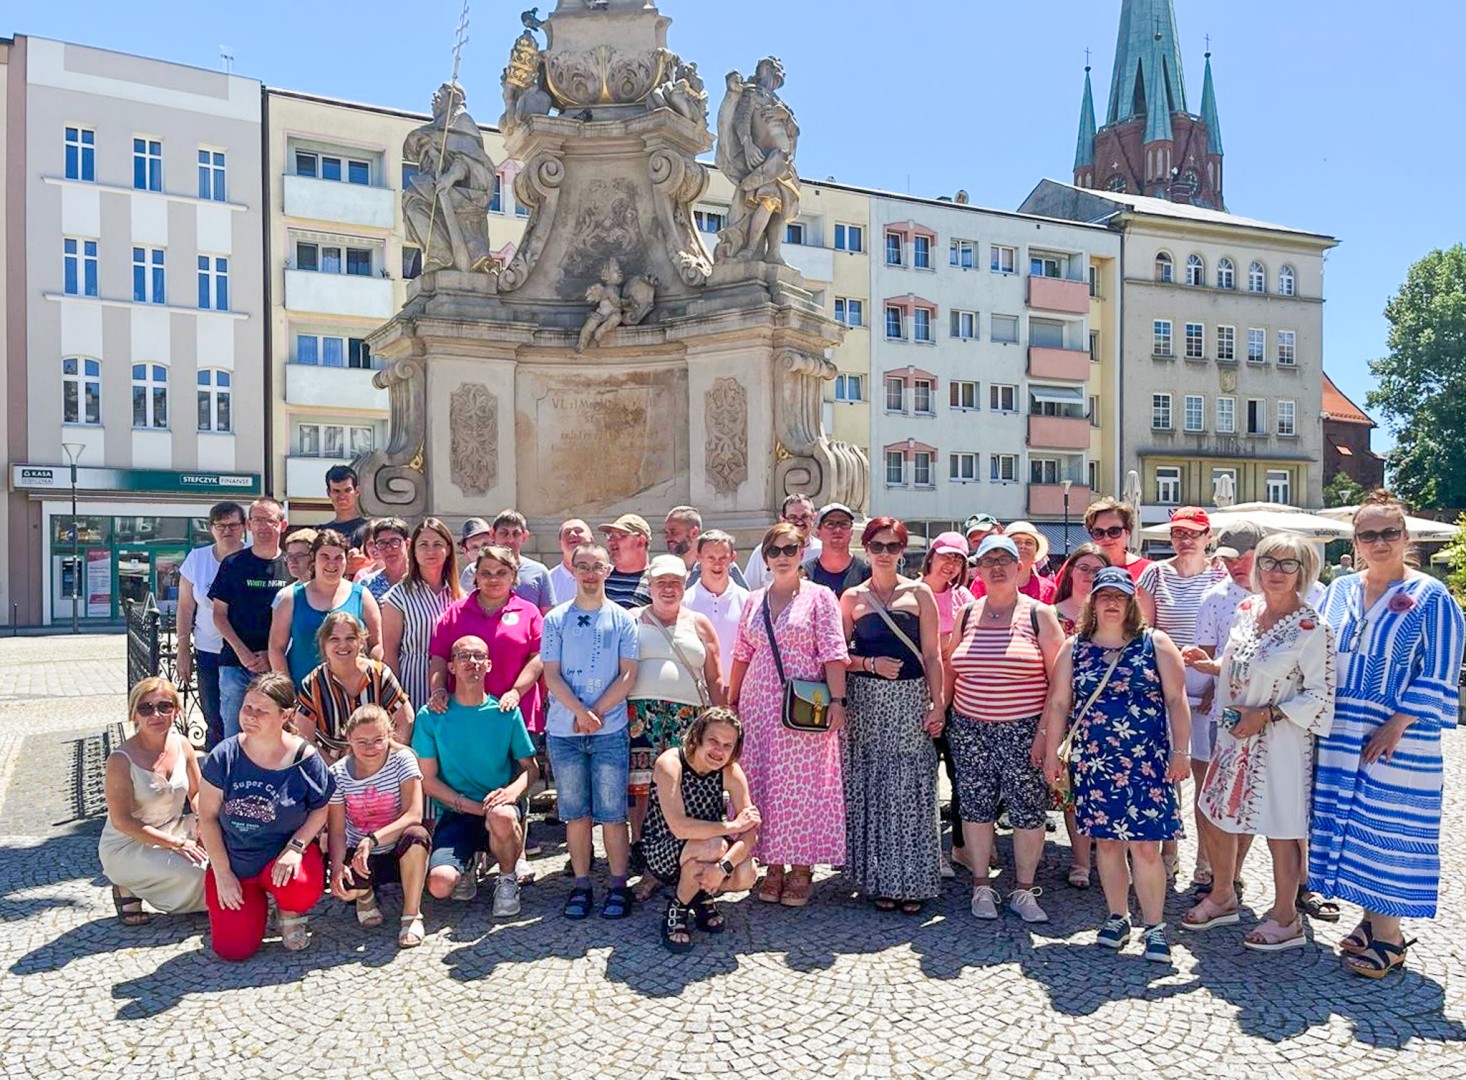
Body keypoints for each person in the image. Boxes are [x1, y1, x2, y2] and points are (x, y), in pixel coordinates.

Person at [1311, 491, 1465, 978]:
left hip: (1398, 736)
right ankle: (1368, 922)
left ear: (1406, 537)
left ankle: (1391, 939)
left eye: (1389, 533)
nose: (1379, 542)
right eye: (1368, 534)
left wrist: (1397, 723)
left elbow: (1442, 669)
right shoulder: (1339, 590)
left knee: (1389, 829)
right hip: (1340, 731)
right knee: (1352, 825)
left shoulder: (1430, 597)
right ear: (1355, 541)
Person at [1190, 534, 1335, 952]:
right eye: (1270, 562)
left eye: (1288, 565)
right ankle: (1222, 894)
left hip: (1282, 740)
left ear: (1304, 573)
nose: (1276, 572)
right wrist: (1212, 666)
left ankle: (1287, 918)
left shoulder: (1313, 628)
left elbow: (1321, 694)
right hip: (1234, 734)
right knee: (1215, 813)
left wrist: (1267, 714)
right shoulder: (1247, 610)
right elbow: (1245, 662)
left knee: (1282, 827)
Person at [1041, 568, 1192, 964]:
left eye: (1120, 597)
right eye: (1104, 596)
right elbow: (1058, 703)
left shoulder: (1154, 643)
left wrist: (1181, 753)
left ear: (1131, 603)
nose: (1111, 603)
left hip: (1146, 762)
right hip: (1094, 761)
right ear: (1092, 602)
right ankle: (1117, 916)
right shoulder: (1074, 648)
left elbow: (1178, 700)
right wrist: (1053, 753)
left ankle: (1155, 926)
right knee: (1106, 844)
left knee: (1145, 847)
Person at [941, 534, 1064, 924]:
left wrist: (1046, 736)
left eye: (1005, 560)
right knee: (975, 808)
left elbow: (1059, 682)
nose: (996, 567)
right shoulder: (967, 614)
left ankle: (1024, 891)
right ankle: (981, 885)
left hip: (1024, 730)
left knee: (1027, 812)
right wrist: (940, 710)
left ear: (1019, 567)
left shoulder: (1038, 615)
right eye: (988, 560)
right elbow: (950, 668)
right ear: (977, 569)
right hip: (970, 727)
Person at [730, 522, 849, 908]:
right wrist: (731, 703)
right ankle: (773, 864)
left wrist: (837, 701)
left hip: (804, 707)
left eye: (790, 550)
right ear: (765, 558)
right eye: (774, 551)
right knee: (763, 783)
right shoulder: (754, 600)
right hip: (758, 706)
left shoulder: (820, 597)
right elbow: (741, 653)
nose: (782, 557)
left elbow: (833, 651)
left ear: (802, 554)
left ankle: (801, 867)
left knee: (802, 788)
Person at [840, 518, 944, 913]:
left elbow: (933, 655)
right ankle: (881, 878)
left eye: (893, 546)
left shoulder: (919, 594)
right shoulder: (852, 598)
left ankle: (913, 880)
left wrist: (938, 703)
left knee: (911, 787)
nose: (885, 553)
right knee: (875, 787)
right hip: (867, 702)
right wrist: (869, 664)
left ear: (903, 551)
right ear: (865, 549)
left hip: (910, 700)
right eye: (878, 546)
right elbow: (838, 657)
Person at [197, 673, 335, 960]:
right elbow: (207, 817)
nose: (251, 716)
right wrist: (222, 873)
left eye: (262, 710)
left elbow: (321, 807)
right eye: (248, 707)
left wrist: (296, 848)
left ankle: (288, 910)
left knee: (300, 887)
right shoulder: (225, 755)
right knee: (233, 950)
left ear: (287, 714)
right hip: (237, 859)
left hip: (281, 855)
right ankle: (254, 908)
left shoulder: (304, 758)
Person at [542, 542, 640, 919]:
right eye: (581, 566)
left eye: (596, 566)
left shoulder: (623, 619)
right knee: (575, 812)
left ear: (608, 570)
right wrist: (579, 712)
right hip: (565, 731)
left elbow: (627, 673)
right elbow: (551, 675)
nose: (588, 573)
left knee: (613, 812)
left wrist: (595, 713)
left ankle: (618, 884)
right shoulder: (556, 620)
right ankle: (582, 883)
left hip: (609, 728)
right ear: (572, 571)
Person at [415, 635, 539, 917]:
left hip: (499, 808)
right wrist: (470, 807)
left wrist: (511, 794)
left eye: (479, 656)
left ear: (489, 665)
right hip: (458, 811)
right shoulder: (431, 716)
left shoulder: (505, 712)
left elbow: (531, 769)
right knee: (439, 885)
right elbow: (428, 780)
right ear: (451, 667)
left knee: (502, 816)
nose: (472, 662)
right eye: (464, 656)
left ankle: (507, 879)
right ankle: (467, 862)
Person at [627, 555, 726, 896]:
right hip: (642, 717)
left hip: (689, 720)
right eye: (661, 583)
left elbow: (714, 676)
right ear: (650, 586)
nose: (668, 589)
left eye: (675, 583)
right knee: (642, 789)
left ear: (684, 586)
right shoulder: (631, 619)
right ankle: (646, 859)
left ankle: (684, 858)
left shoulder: (699, 623)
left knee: (684, 790)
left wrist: (723, 722)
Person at [1137, 506, 1227, 881]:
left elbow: (1228, 633)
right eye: (1178, 533)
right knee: (1168, 772)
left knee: (1206, 778)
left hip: (1210, 686)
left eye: (1193, 533)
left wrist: (1215, 684)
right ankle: (1169, 851)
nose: (1185, 540)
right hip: (1164, 686)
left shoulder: (1221, 574)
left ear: (1208, 537)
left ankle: (1205, 859)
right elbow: (1145, 630)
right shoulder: (1155, 574)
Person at [1183, 520, 1265, 901]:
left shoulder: (1296, 593)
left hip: (1273, 714)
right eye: (1228, 559)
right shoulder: (1216, 597)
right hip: (1223, 712)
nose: (1235, 566)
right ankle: (1211, 867)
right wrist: (1210, 687)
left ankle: (1232, 872)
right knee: (1214, 793)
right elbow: (1209, 654)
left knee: (1251, 799)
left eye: (1243, 558)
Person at [643, 708, 761, 953]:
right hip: (663, 847)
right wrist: (731, 827)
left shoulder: (731, 770)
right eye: (713, 741)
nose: (719, 751)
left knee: (747, 872)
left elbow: (751, 833)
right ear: (697, 736)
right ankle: (678, 908)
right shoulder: (671, 762)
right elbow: (679, 827)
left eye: (728, 746)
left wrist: (722, 868)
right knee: (714, 846)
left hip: (706, 849)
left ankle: (699, 894)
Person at [100, 677, 208, 924]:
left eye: (165, 706)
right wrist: (177, 845)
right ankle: (127, 882)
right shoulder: (120, 760)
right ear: (134, 715)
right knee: (199, 875)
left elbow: (197, 792)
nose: (156, 714)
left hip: (173, 827)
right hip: (128, 844)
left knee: (228, 851)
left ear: (176, 711)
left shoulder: (182, 744)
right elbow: (122, 821)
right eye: (146, 708)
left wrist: (202, 818)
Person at [327, 704, 431, 947]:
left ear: (389, 736)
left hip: (396, 847)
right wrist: (336, 867)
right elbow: (337, 830)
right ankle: (365, 893)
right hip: (359, 854)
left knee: (418, 835)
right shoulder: (337, 774)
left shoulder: (403, 759)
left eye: (377, 740)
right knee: (345, 889)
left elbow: (413, 814)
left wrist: (372, 839)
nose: (370, 748)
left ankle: (411, 915)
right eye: (361, 741)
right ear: (348, 738)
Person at [429, 546, 545, 736]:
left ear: (513, 575)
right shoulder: (455, 613)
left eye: (501, 572)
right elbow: (439, 658)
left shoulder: (529, 612)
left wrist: (516, 692)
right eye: (486, 573)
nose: (493, 579)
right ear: (476, 577)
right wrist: (438, 690)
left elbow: (538, 657)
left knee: (522, 766)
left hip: (516, 711)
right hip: (465, 714)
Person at [1047, 542, 1111, 887]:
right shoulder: (1051, 614)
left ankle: (1109, 856)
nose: (1089, 576)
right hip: (1067, 713)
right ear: (1070, 571)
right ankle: (1081, 860)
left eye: (1098, 570)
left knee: (1106, 786)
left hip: (1108, 717)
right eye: (1083, 568)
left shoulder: (1116, 615)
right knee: (1072, 791)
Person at [919, 531, 976, 878]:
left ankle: (960, 846)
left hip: (958, 701)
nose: (950, 564)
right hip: (919, 699)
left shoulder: (965, 598)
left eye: (958, 559)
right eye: (945, 556)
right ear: (931, 557)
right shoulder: (913, 593)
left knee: (959, 776)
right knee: (923, 778)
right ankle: (928, 850)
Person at [210, 498, 292, 740]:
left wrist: (272, 655)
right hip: (236, 666)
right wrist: (243, 653)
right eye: (257, 520)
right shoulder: (233, 564)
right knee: (235, 736)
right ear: (248, 524)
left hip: (278, 667)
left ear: (283, 525)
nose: (264, 527)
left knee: (277, 735)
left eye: (270, 520)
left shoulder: (291, 565)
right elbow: (219, 615)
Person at [268, 528, 381, 689]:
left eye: (338, 558)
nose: (331, 564)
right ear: (313, 559)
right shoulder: (291, 598)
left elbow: (376, 644)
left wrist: (371, 680)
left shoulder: (361, 595)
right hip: (303, 694)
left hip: (353, 693)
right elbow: (276, 648)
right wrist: (286, 691)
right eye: (325, 557)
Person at [296, 612, 414, 762]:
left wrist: (386, 759)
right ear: (323, 644)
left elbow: (406, 719)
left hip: (379, 756)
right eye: (334, 639)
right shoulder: (313, 684)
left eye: (350, 638)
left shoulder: (379, 674)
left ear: (361, 642)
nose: (343, 645)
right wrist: (336, 772)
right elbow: (304, 737)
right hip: (332, 763)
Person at [177, 501, 247, 750]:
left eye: (233, 525)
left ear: (243, 527)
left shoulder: (252, 555)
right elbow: (185, 607)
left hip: (246, 652)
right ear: (211, 528)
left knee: (244, 717)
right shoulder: (197, 559)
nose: (227, 531)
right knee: (213, 714)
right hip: (209, 649)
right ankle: (216, 772)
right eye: (220, 525)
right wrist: (182, 650)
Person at [382, 517, 463, 709]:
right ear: (414, 551)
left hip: (454, 684)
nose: (430, 551)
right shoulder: (398, 595)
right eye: (423, 545)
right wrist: (394, 698)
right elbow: (390, 650)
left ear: (448, 549)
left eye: (437, 544)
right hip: (413, 682)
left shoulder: (459, 596)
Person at [684, 530, 750, 683]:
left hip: (739, 693)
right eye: (710, 558)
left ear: (733, 558)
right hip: (698, 695)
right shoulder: (685, 602)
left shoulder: (748, 601)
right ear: (698, 557)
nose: (717, 564)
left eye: (723, 558)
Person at [744, 495, 820, 590]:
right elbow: (748, 591)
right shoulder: (765, 551)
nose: (799, 522)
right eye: (793, 517)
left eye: (805, 516)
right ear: (783, 520)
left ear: (813, 518)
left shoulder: (822, 551)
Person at [666, 505, 749, 589]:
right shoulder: (668, 568)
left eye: (673, 532)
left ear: (694, 533)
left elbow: (746, 599)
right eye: (666, 532)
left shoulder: (724, 567)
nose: (668, 538)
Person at [971, 521, 1056, 603]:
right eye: (1016, 542)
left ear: (1036, 552)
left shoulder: (1049, 589)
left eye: (1029, 543)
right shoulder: (983, 582)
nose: (1023, 546)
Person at [493, 509, 556, 613]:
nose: (510, 540)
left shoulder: (539, 572)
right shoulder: (475, 571)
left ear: (525, 536)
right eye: (504, 533)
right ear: (493, 534)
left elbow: (547, 616)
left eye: (516, 534)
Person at [802, 503, 871, 598]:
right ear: (818, 532)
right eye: (830, 524)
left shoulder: (866, 572)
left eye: (844, 524)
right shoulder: (805, 572)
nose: (837, 530)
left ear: (851, 532)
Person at [1084, 497, 1152, 583]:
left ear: (1127, 533)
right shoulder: (1078, 568)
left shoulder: (1149, 571)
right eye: (1098, 532)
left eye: (1114, 531)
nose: (1106, 538)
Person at [600, 514, 653, 609]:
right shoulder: (601, 578)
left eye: (619, 535)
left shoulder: (656, 582)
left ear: (640, 541)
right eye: (609, 536)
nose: (611, 541)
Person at [358, 518, 411, 604]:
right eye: (382, 543)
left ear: (407, 544)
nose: (388, 549)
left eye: (394, 542)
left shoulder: (423, 579)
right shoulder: (367, 585)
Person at [547, 518, 594, 607]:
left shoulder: (608, 575)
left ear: (591, 539)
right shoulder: (548, 581)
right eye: (567, 532)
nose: (572, 534)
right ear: (560, 544)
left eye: (578, 530)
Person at [324, 464, 369, 547]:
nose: (342, 496)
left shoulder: (370, 531)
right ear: (328, 493)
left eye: (347, 490)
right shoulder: (321, 532)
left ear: (357, 491)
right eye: (336, 491)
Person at [458, 518, 495, 593]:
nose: (481, 551)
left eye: (485, 545)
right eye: (474, 547)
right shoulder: (464, 581)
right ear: (465, 551)